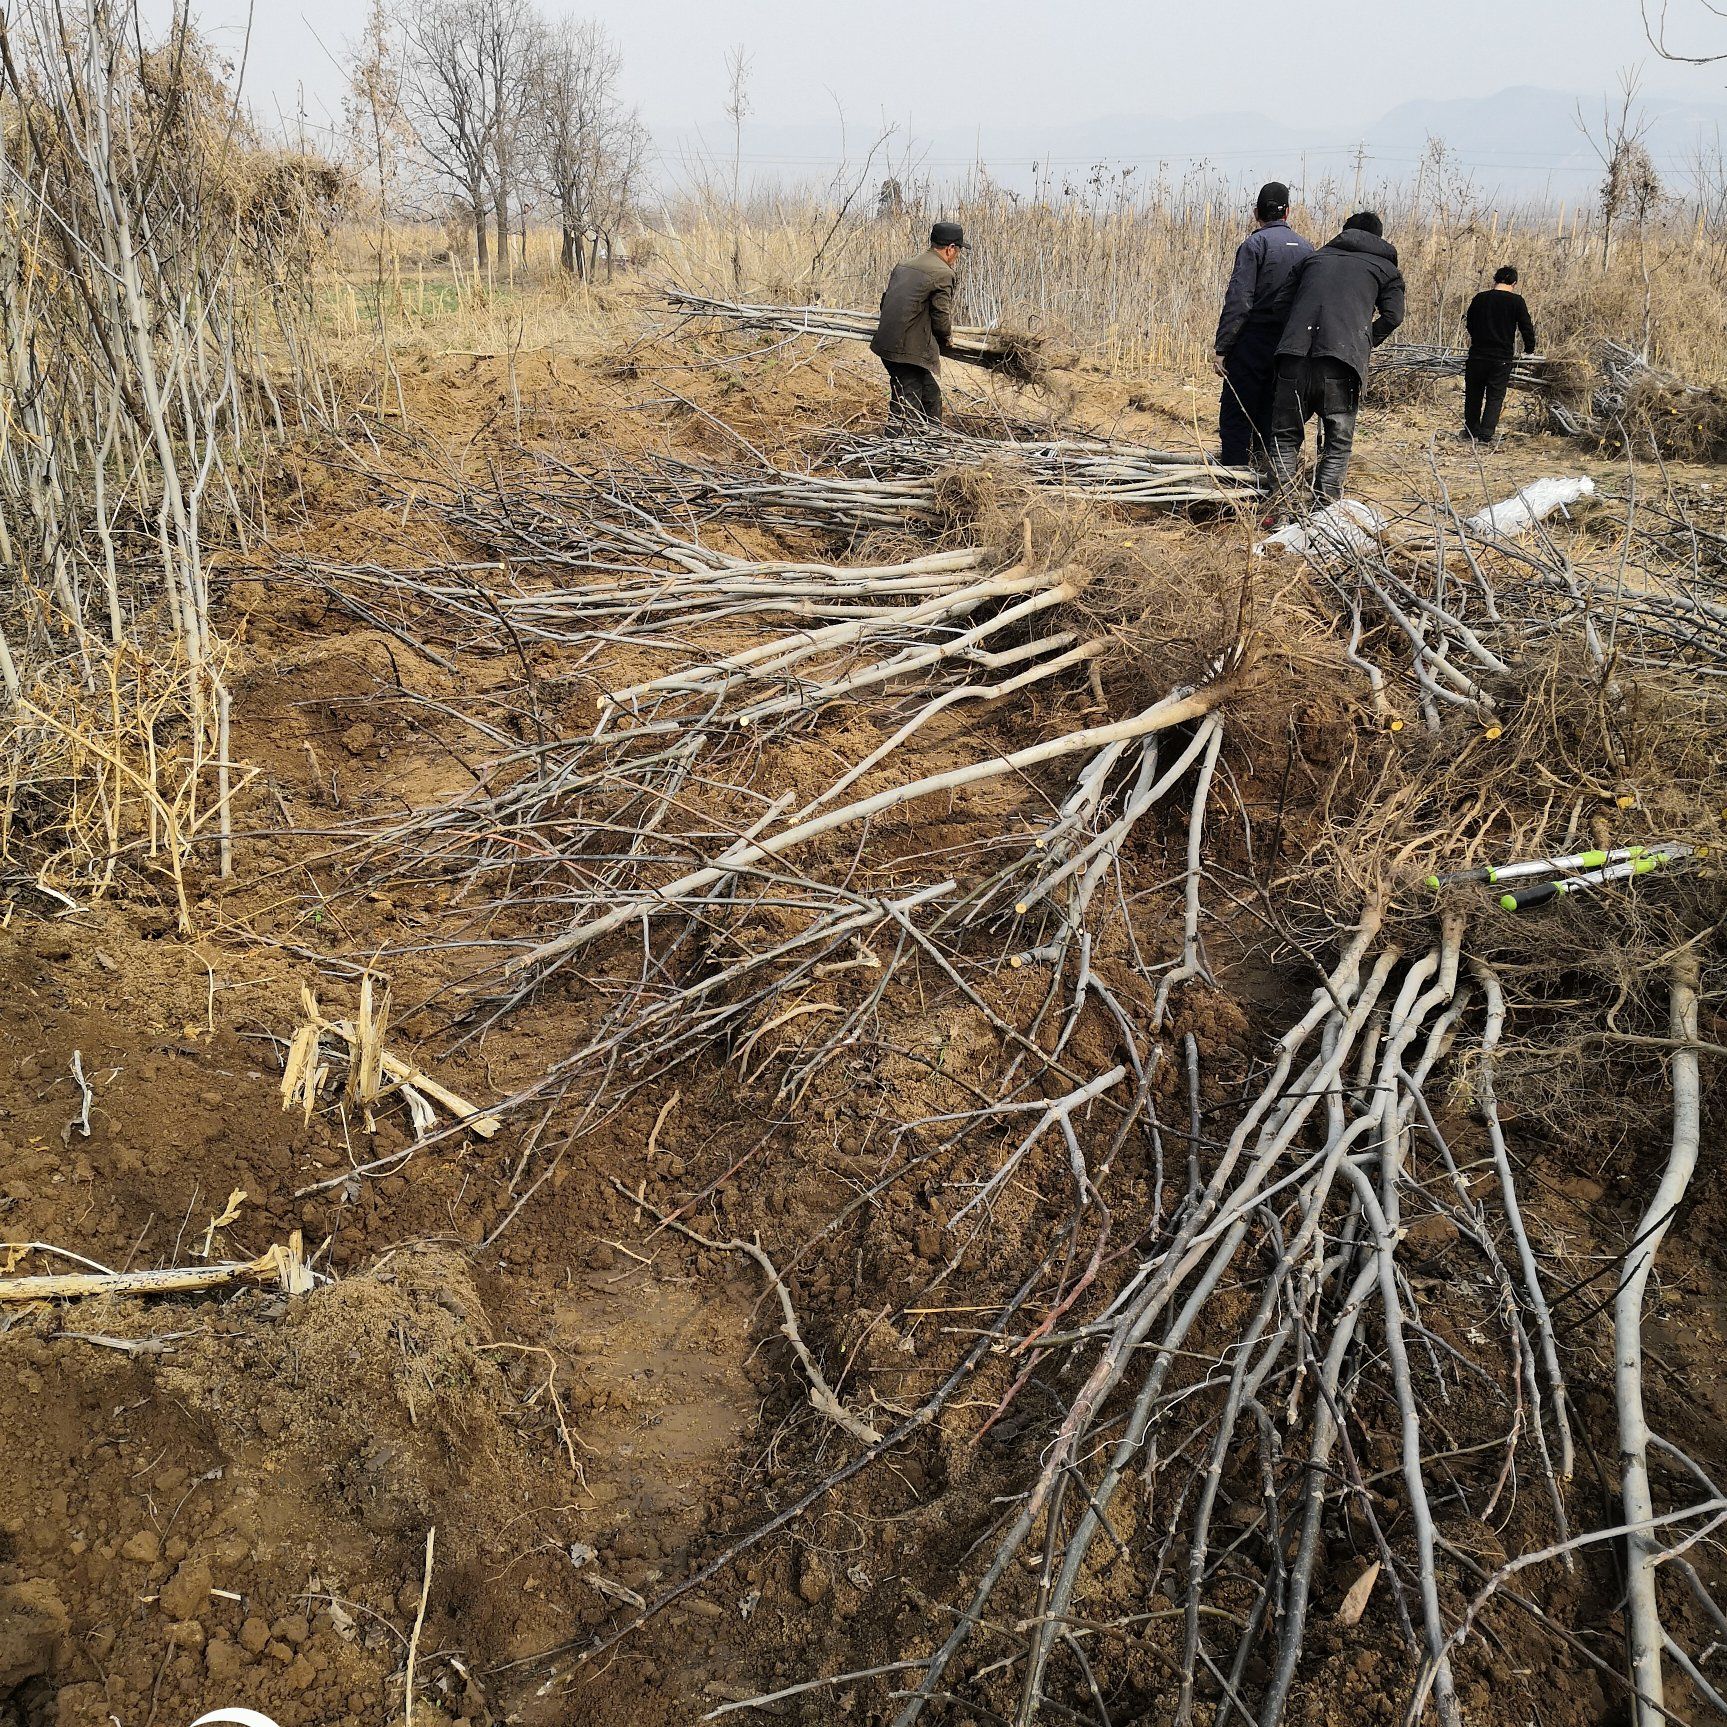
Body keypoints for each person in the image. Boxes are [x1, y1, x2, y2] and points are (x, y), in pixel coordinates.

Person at [1267, 211, 1406, 507]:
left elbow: (1280, 305)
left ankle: (1280, 510)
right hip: (1342, 362)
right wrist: (1362, 341)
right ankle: (1324, 514)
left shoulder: (1312, 260)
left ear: (1343, 232)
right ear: (1379, 237)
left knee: (1284, 437)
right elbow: (1393, 316)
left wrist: (1296, 335)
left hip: (1293, 358)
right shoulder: (1386, 269)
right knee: (1337, 443)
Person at [1212, 182, 1314, 470]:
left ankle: (1233, 486)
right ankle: (1269, 480)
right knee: (1273, 415)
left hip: (1252, 342)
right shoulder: (1308, 249)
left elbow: (1239, 300)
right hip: (1289, 346)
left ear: (1257, 212)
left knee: (1237, 415)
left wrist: (1222, 347)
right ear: (1288, 212)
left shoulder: (1254, 245)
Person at [871, 222, 965, 430]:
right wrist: (946, 339)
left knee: (930, 395)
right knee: (907, 406)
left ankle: (931, 439)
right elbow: (941, 317)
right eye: (957, 251)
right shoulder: (943, 273)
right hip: (908, 350)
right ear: (950, 249)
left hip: (886, 343)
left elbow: (884, 302)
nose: (957, 256)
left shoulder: (904, 264)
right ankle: (896, 451)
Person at [1463, 265, 1537, 443]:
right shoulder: (1516, 301)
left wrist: (1477, 338)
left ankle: (1471, 430)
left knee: (1474, 394)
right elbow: (1526, 327)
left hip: (1477, 354)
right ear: (1514, 282)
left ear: (1494, 280)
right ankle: (1486, 433)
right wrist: (1529, 349)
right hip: (1501, 357)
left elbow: (1470, 323)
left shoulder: (1480, 298)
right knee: (1495, 395)